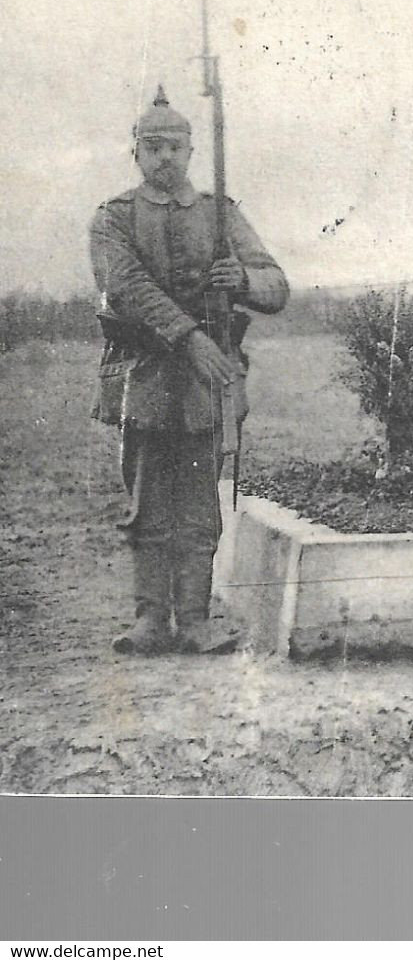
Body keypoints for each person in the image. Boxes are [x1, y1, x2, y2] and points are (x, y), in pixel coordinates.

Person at [89, 87, 288, 654]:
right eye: (153, 147)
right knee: (147, 496)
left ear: (191, 151)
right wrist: (190, 337)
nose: (165, 158)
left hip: (208, 381)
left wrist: (242, 281)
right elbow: (125, 288)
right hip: (144, 374)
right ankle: (151, 621)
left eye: (175, 146)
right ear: (135, 153)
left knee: (200, 502)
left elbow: (277, 286)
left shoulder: (222, 214)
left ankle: (196, 622)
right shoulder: (113, 219)